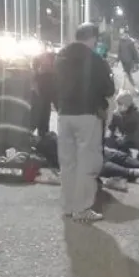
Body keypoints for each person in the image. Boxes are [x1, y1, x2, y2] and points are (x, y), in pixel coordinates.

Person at [55, 23, 115, 223]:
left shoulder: (61, 57)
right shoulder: (95, 59)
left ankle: (68, 206)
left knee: (68, 163)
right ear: (92, 38)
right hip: (87, 115)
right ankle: (82, 209)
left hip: (64, 115)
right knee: (87, 163)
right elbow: (108, 89)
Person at [106, 91, 139, 160]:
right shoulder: (116, 114)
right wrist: (109, 137)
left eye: (119, 104)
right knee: (109, 140)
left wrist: (126, 138)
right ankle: (123, 152)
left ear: (126, 105)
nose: (118, 106)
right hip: (125, 136)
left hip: (137, 137)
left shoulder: (138, 114)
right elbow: (111, 128)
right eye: (117, 104)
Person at [117, 30, 139, 96]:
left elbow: (134, 52)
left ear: (127, 35)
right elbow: (119, 51)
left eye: (126, 34)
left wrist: (137, 61)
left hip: (129, 61)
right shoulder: (121, 42)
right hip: (123, 61)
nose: (124, 36)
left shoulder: (130, 42)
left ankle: (124, 90)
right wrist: (117, 60)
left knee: (127, 75)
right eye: (124, 34)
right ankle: (133, 89)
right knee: (127, 75)